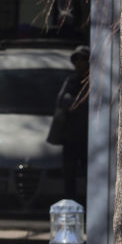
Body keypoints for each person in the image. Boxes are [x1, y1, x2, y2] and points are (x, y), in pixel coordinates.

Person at [54, 45, 90, 202]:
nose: (79, 62)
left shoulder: (95, 81)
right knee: (69, 176)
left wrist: (75, 103)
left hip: (88, 138)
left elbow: (92, 104)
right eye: (76, 59)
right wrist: (77, 103)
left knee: (89, 174)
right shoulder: (71, 80)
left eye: (83, 59)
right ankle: (70, 204)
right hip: (70, 137)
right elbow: (61, 101)